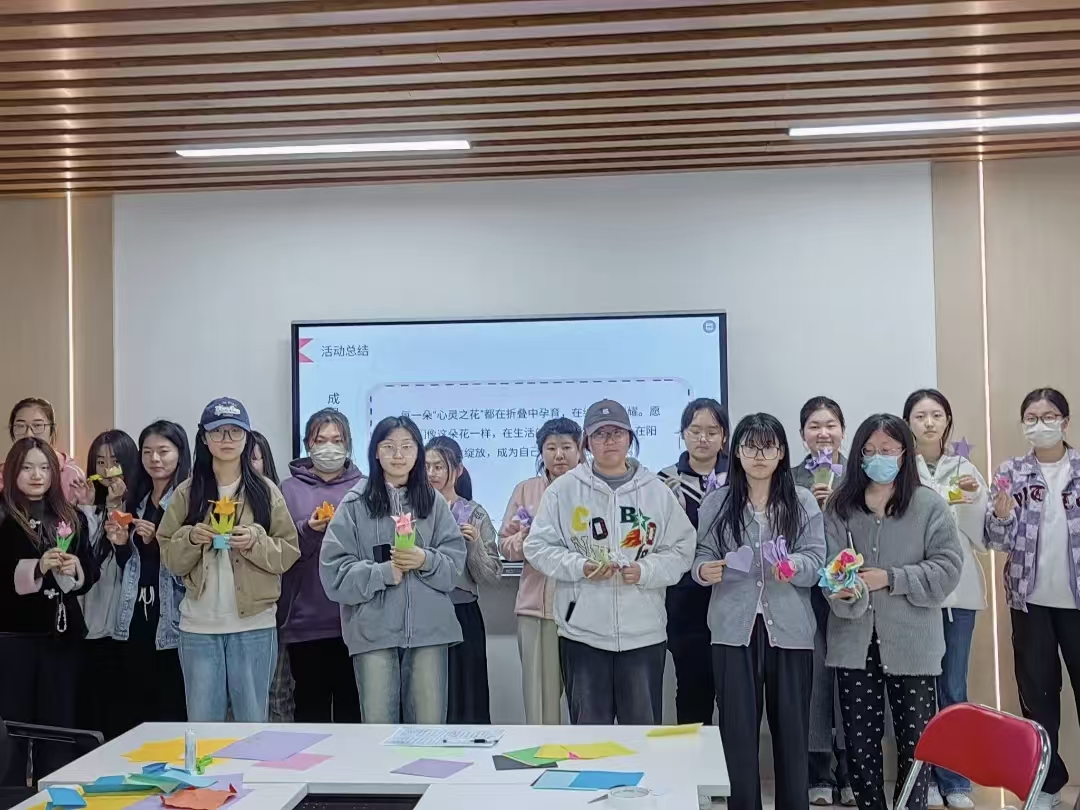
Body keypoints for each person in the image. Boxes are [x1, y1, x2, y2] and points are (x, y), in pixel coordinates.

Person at [524, 399, 695, 725]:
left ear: (630, 438)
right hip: (582, 635)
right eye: (600, 434)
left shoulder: (656, 491)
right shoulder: (564, 491)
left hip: (643, 634)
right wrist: (580, 566)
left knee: (641, 734)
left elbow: (682, 549)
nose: (609, 441)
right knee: (590, 738)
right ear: (587, 443)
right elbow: (538, 546)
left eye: (617, 433)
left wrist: (645, 571)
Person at [826, 414, 962, 810]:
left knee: (916, 743)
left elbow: (948, 568)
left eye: (887, 450)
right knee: (859, 746)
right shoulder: (839, 506)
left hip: (913, 643)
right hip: (854, 641)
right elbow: (828, 570)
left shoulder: (928, 505)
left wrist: (890, 578)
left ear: (905, 453)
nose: (878, 458)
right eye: (869, 451)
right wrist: (842, 587)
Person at [693, 413, 826, 810]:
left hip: (790, 632)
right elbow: (701, 555)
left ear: (782, 452)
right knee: (736, 733)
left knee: (792, 734)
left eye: (768, 447)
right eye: (750, 447)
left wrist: (794, 567)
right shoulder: (717, 502)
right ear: (736, 452)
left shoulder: (801, 501)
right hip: (733, 632)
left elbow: (816, 560)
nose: (759, 455)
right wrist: (704, 570)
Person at [158, 398, 299, 722]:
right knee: (204, 726)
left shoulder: (265, 491)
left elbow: (288, 551)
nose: (226, 439)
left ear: (247, 438)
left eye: (235, 431)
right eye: (217, 432)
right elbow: (168, 556)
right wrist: (191, 539)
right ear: (204, 438)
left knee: (252, 724)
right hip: (198, 627)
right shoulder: (188, 492)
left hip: (254, 625)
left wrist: (255, 542)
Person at [320, 416, 466, 724]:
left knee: (428, 733)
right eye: (389, 447)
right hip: (373, 635)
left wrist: (425, 560)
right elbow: (334, 574)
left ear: (418, 452)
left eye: (407, 447)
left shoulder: (434, 502)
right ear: (375, 452)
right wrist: (383, 573)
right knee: (379, 733)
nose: (398, 455)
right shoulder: (355, 504)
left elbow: (454, 568)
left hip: (429, 634)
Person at [986, 388, 1080, 810]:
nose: (1040, 424)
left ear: (1065, 421)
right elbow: (996, 540)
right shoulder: (1011, 472)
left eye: (1049, 416)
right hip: (1029, 602)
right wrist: (1002, 514)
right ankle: (1047, 783)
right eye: (1031, 417)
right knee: (1038, 697)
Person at [903, 389, 987, 810]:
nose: (929, 423)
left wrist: (970, 498)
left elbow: (983, 534)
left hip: (959, 594)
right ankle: (924, 781)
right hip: (916, 592)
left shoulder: (964, 467)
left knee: (953, 687)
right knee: (918, 691)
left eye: (937, 415)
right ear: (908, 422)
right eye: (920, 416)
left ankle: (954, 780)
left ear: (948, 421)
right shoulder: (901, 469)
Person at [0, 438, 98, 780]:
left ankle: (54, 795)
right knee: (13, 731)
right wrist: (37, 567)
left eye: (44, 468)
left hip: (62, 639)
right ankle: (10, 797)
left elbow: (91, 571)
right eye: (27, 468)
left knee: (59, 729)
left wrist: (75, 569)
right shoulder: (4, 517)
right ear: (13, 472)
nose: (36, 475)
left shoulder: (70, 516)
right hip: (14, 640)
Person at [280, 408, 364, 723]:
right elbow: (282, 553)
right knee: (309, 715)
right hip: (305, 623)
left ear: (348, 444)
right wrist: (308, 530)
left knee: (352, 716)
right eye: (321, 440)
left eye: (337, 440)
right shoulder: (287, 490)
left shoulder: (365, 488)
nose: (329, 447)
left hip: (355, 624)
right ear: (308, 444)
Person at [500, 417, 583, 725]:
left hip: (585, 607)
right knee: (540, 698)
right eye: (551, 448)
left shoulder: (592, 488)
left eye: (566, 447)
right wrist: (522, 541)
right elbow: (504, 544)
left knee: (586, 695)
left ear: (580, 451)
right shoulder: (526, 491)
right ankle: (543, 750)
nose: (558, 455)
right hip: (537, 608)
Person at [791, 396, 853, 808]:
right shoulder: (789, 478)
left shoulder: (859, 474)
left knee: (850, 675)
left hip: (850, 588)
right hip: (805, 591)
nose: (823, 433)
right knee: (813, 680)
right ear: (802, 434)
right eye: (814, 426)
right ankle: (817, 772)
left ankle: (851, 771)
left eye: (830, 425)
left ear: (842, 431)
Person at [659, 398, 730, 727]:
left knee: (734, 695)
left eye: (712, 432)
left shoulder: (742, 476)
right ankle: (692, 758)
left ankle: (733, 759)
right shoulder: (664, 481)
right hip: (685, 602)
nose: (703, 438)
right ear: (683, 434)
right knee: (691, 692)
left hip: (733, 598)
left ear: (724, 436)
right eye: (695, 430)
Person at [427, 435, 501, 724]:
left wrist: (475, 547)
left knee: (467, 697)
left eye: (439, 466)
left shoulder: (474, 513)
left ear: (457, 470)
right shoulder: (411, 510)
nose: (431, 473)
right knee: (429, 697)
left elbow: (491, 575)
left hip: (463, 613)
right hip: (424, 614)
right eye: (426, 466)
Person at [77, 429, 140, 740]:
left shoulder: (138, 509)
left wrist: (118, 506)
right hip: (89, 629)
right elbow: (85, 561)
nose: (106, 470)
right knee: (91, 716)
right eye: (99, 462)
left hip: (121, 632)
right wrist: (88, 509)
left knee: (121, 717)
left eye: (114, 461)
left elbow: (131, 563)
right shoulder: (86, 510)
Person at [248, 430, 295, 723]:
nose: (247, 465)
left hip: (277, 614)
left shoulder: (278, 498)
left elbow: (288, 552)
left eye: (254, 458)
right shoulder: (213, 500)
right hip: (233, 618)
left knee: (278, 695)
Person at [2, 398, 91, 505]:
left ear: (52, 430)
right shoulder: (2, 475)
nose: (29, 434)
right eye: (20, 426)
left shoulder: (72, 476)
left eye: (37, 425)